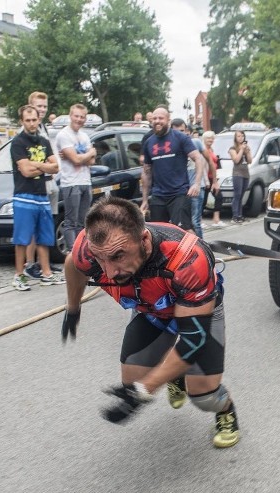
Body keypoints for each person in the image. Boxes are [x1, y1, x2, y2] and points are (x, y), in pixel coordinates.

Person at [61, 197, 240, 448]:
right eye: (101, 260)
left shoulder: (188, 259)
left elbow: (193, 339)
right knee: (131, 379)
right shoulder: (92, 248)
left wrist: (144, 391)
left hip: (196, 312)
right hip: (153, 311)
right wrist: (73, 309)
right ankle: (172, 372)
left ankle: (226, 410)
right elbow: (73, 265)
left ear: (143, 240)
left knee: (204, 397)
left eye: (118, 256)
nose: (110, 272)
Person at [10, 104, 63, 290]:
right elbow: (25, 171)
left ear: (38, 120)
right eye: (28, 120)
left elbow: (56, 167)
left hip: (42, 195)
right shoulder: (17, 142)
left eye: (34, 120)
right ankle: (18, 276)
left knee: (44, 237)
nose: (32, 123)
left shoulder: (44, 141)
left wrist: (35, 164)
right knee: (22, 239)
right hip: (24, 196)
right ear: (22, 121)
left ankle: (46, 273)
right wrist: (43, 166)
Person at [140, 107, 205, 232]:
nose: (157, 121)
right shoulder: (149, 142)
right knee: (158, 234)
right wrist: (144, 200)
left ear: (168, 120)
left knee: (184, 232)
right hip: (158, 195)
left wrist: (196, 184)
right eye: (154, 118)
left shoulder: (180, 138)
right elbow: (146, 171)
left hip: (179, 194)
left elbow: (198, 158)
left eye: (161, 118)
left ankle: (198, 250)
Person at [22, 91, 62, 282]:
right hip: (36, 185)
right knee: (33, 229)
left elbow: (53, 162)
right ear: (30, 106)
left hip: (50, 182)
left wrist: (49, 166)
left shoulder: (43, 128)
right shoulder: (28, 132)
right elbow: (29, 165)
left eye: (44, 106)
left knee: (46, 226)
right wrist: (45, 166)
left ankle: (43, 262)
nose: (42, 110)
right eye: (38, 106)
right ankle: (31, 264)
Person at [55, 103, 96, 252]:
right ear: (70, 116)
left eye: (82, 117)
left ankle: (81, 252)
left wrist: (84, 156)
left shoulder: (84, 136)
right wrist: (89, 153)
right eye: (76, 116)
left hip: (85, 181)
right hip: (71, 183)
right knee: (71, 222)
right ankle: (72, 253)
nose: (79, 119)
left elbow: (92, 161)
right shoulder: (63, 135)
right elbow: (77, 160)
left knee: (83, 221)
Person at [171, 118, 205, 237]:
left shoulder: (194, 143)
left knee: (193, 222)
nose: (182, 134)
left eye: (183, 130)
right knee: (183, 225)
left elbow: (205, 160)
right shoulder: (171, 145)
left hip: (194, 188)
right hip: (181, 191)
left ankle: (203, 249)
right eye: (178, 131)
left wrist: (199, 183)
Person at [228, 129, 253, 224]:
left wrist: (247, 151)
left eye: (242, 136)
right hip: (237, 174)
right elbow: (236, 160)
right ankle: (235, 216)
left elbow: (250, 161)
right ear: (235, 137)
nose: (240, 138)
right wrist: (241, 150)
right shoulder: (232, 149)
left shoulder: (246, 148)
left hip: (245, 173)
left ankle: (240, 215)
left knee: (242, 195)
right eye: (238, 136)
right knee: (237, 194)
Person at [200, 130, 223, 227]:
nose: (210, 140)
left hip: (212, 178)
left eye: (212, 138)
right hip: (205, 178)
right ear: (204, 139)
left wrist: (215, 179)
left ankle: (216, 219)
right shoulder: (203, 150)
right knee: (203, 200)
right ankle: (199, 221)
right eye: (208, 138)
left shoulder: (211, 150)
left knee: (219, 196)